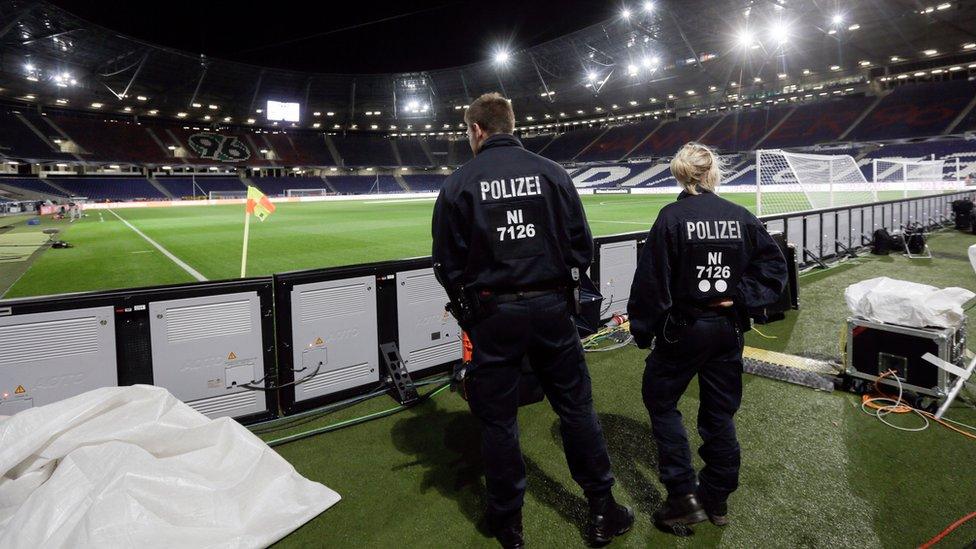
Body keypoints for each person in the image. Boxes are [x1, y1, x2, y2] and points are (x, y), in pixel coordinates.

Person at [431, 92, 633, 548]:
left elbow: (446, 264)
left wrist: (471, 314)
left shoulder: (459, 184)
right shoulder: (553, 174)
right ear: (511, 124)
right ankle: (602, 509)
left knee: (499, 420)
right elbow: (582, 247)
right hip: (552, 309)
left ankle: (508, 524)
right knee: (576, 408)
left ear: (477, 130)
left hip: (493, 313)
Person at [627, 142, 787, 532]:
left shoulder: (670, 218)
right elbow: (774, 269)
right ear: (714, 173)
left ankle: (682, 495)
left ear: (679, 174)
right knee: (719, 414)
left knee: (661, 401)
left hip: (684, 330)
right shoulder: (740, 217)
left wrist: (643, 331)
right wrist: (740, 297)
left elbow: (651, 284)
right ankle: (716, 498)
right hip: (727, 330)